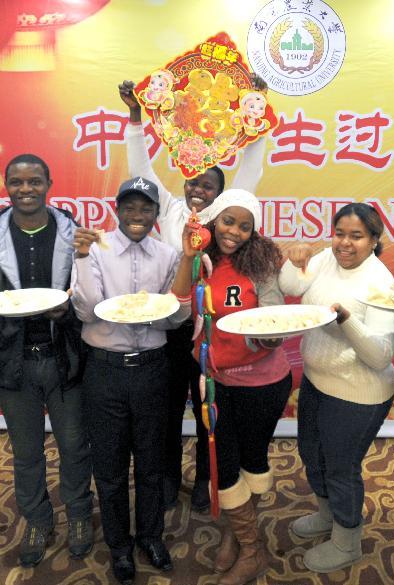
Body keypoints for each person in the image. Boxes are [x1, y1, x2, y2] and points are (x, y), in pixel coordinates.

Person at [119, 77, 268, 512]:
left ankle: (208, 481)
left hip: (213, 335)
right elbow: (140, 169)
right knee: (164, 411)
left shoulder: (226, 222)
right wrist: (135, 116)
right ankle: (165, 480)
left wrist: (257, 108)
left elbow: (251, 171)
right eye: (194, 182)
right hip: (169, 329)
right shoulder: (169, 210)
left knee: (208, 413)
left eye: (208, 186)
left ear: (222, 196)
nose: (198, 190)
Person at [0, 153, 92, 566]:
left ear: (49, 183)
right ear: (6, 185)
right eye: (16, 182)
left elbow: (93, 297)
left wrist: (68, 311)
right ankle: (37, 519)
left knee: (74, 446)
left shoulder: (77, 236)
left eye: (34, 181)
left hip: (66, 357)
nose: (25, 189)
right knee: (26, 451)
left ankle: (80, 515)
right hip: (13, 362)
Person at [71, 176, 189, 585]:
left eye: (146, 209)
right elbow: (87, 312)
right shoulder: (94, 248)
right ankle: (120, 547)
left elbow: (176, 317)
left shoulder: (169, 254)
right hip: (104, 370)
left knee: (152, 462)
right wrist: (83, 258)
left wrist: (168, 302)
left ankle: (151, 537)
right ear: (117, 209)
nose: (137, 216)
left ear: (157, 214)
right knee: (110, 465)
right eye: (130, 208)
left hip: (153, 369)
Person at [171, 189, 291, 585]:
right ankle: (247, 543)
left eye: (245, 226)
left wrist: (272, 332)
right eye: (228, 221)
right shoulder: (200, 259)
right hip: (216, 381)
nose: (234, 232)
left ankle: (241, 541)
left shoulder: (262, 261)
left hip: (263, 382)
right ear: (214, 220)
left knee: (252, 461)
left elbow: (272, 308)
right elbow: (178, 300)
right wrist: (189, 255)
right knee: (223, 465)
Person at [278, 203, 394, 573]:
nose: (345, 244)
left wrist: (345, 319)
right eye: (340, 233)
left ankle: (348, 542)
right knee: (311, 454)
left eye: (357, 236)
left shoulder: (381, 284)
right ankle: (327, 515)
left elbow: (380, 356)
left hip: (359, 393)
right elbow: (289, 286)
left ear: (374, 240)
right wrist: (296, 259)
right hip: (317, 381)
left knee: (340, 468)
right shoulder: (326, 258)